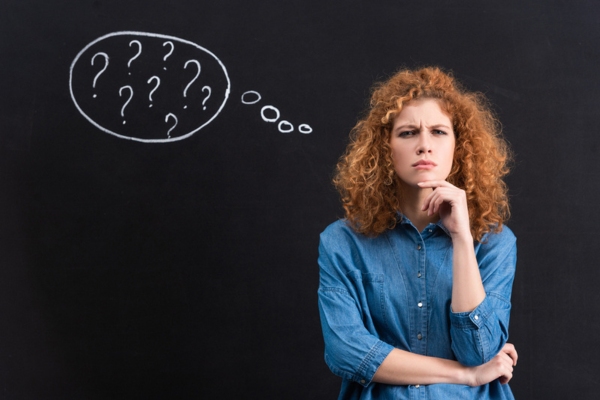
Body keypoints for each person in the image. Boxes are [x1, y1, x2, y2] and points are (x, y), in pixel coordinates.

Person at [318, 67, 518, 399]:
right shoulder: (342, 242)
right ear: (385, 147)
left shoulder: (495, 241)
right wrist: (467, 375)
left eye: (439, 132)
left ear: (459, 146)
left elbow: (480, 351)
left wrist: (462, 239)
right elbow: (346, 351)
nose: (424, 145)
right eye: (408, 132)